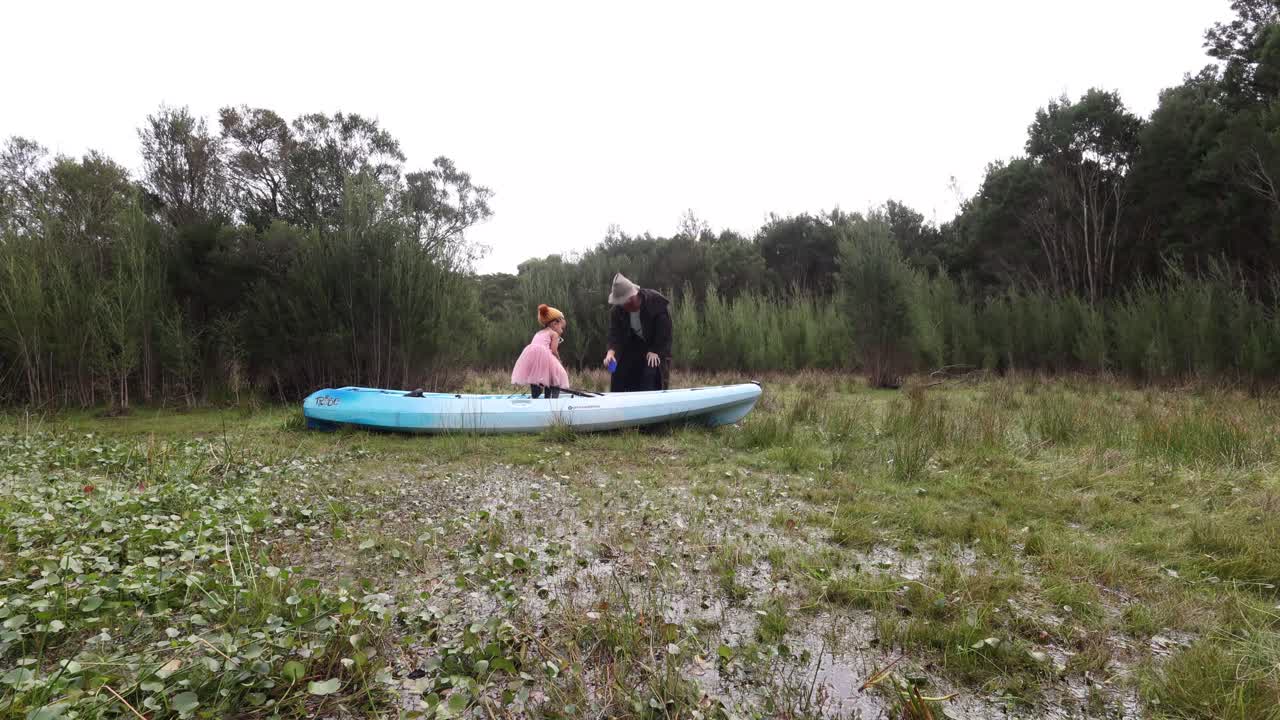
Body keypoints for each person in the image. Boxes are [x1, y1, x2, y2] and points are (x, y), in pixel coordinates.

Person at [603, 273, 672, 392]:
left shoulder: (656, 302)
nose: (620, 305)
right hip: (633, 348)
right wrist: (610, 353)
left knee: (651, 368)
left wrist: (655, 351)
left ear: (631, 298)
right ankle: (618, 403)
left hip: (655, 348)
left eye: (622, 302)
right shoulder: (617, 311)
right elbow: (614, 335)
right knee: (618, 371)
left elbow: (665, 332)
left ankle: (651, 404)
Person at [511, 304, 570, 398]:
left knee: (538, 376)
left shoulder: (539, 333)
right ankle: (553, 399)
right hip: (544, 354)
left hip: (531, 356)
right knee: (558, 375)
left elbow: (536, 346)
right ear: (555, 323)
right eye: (561, 327)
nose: (562, 330)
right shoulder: (554, 334)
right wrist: (559, 360)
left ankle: (536, 393)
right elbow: (554, 351)